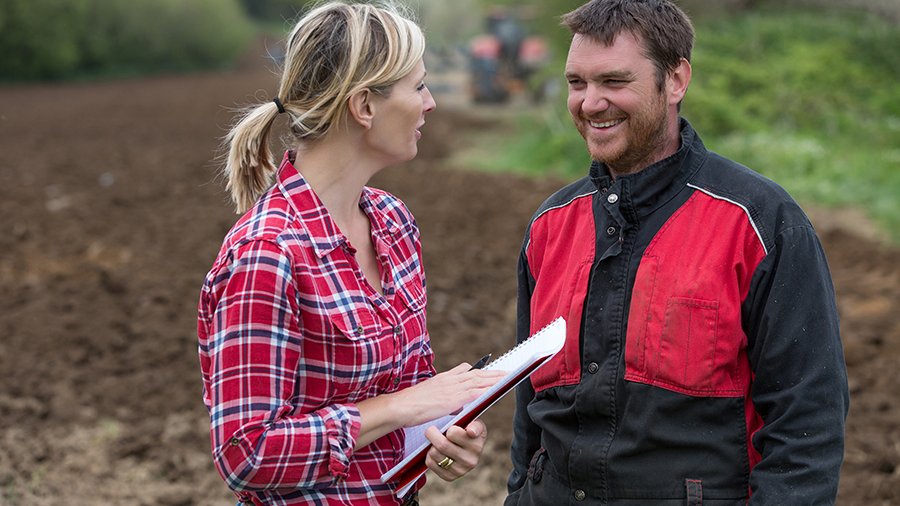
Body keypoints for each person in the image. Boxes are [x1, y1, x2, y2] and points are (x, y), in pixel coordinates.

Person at [505, 1, 849, 504]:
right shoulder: (551, 225)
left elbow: (807, 425)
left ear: (676, 80)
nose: (590, 103)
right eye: (577, 83)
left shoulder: (759, 223)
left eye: (614, 81)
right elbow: (529, 408)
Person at [196, 2, 505, 505]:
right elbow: (246, 455)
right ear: (364, 106)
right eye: (418, 87)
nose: (430, 104)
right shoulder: (267, 254)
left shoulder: (393, 223)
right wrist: (398, 407)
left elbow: (412, 392)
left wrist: (444, 438)